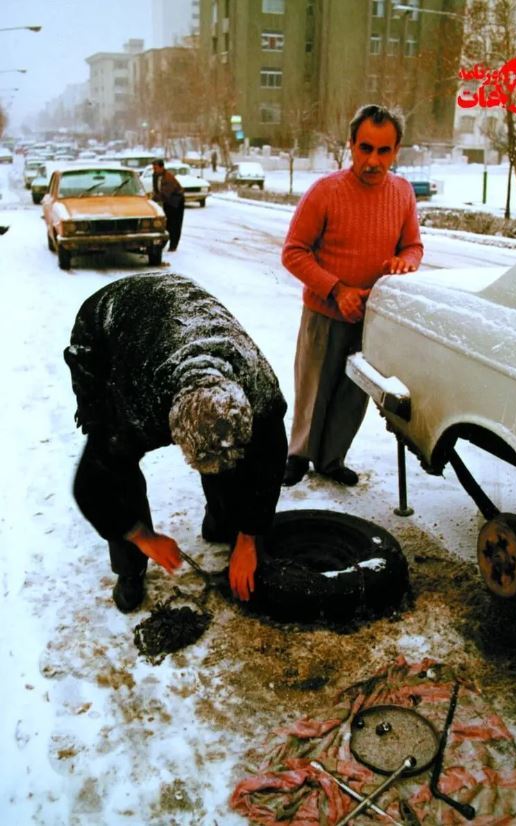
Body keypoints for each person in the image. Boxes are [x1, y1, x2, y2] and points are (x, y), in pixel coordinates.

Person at [64, 274, 288, 612]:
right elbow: (91, 488)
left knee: (229, 454)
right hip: (104, 326)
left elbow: (268, 461)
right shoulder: (139, 409)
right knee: (114, 463)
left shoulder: (260, 393)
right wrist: (143, 537)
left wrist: (248, 535)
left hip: (186, 313)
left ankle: (223, 520)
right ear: (173, 434)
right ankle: (130, 568)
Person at [281, 103, 424, 488]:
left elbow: (414, 246)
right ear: (351, 145)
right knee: (314, 387)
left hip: (370, 319)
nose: (373, 160)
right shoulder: (325, 192)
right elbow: (293, 252)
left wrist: (404, 261)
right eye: (365, 148)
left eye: (383, 150)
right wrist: (336, 289)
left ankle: (331, 458)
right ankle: (298, 454)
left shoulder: (402, 192)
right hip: (325, 313)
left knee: (352, 395)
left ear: (396, 151)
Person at [152, 159, 184, 251]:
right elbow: (157, 190)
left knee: (175, 224)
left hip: (176, 201)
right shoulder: (155, 175)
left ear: (162, 167)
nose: (154, 169)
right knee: (166, 223)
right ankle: (163, 244)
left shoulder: (168, 177)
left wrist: (152, 199)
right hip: (167, 200)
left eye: (155, 167)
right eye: (153, 168)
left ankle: (173, 245)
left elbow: (165, 194)